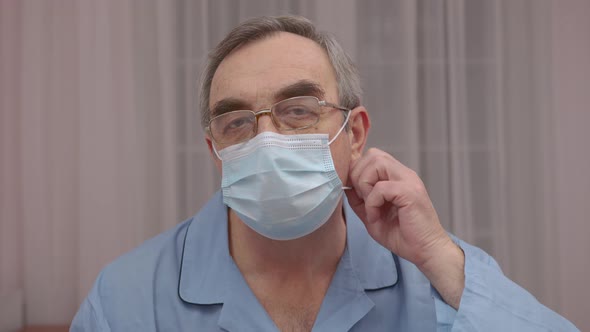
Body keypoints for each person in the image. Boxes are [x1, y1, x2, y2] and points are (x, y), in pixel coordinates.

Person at [70, 15, 578, 331]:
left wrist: (439, 257)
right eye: (237, 121)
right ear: (215, 149)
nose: (266, 138)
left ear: (354, 133)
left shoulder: (440, 280)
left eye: (298, 109)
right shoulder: (125, 301)